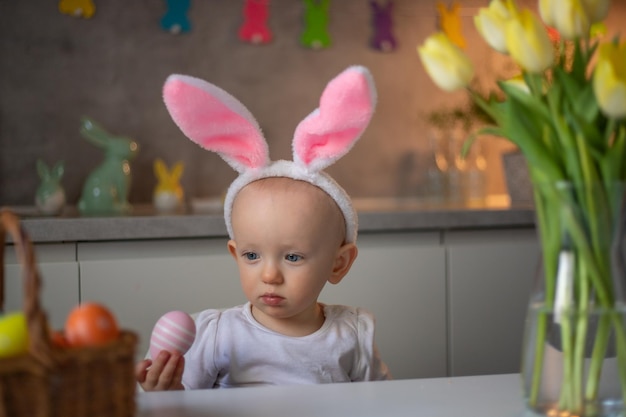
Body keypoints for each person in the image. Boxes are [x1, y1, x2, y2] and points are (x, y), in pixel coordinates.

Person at [135, 65, 391, 390]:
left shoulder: (352, 334)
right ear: (234, 252)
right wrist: (167, 392)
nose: (270, 275)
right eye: (252, 254)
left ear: (338, 263)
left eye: (293, 257)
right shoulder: (216, 336)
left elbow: (384, 402)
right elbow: (188, 405)